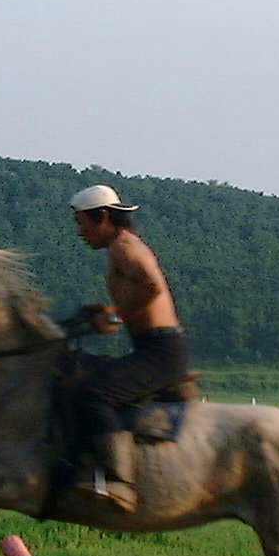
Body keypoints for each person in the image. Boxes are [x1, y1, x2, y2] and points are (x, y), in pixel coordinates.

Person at [68, 184, 191, 514]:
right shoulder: (120, 248)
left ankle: (121, 484)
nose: (80, 233)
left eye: (82, 224)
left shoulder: (124, 248)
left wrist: (114, 314)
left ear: (103, 217)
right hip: (156, 347)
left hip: (160, 351)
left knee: (94, 394)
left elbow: (152, 286)